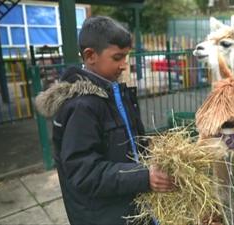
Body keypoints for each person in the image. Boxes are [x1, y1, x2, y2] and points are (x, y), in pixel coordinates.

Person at [35, 16, 174, 225]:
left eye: (125, 57)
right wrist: (144, 177)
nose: (124, 65)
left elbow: (130, 141)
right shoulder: (82, 107)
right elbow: (84, 172)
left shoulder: (114, 92)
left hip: (128, 205)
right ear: (91, 56)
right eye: (118, 58)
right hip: (104, 216)